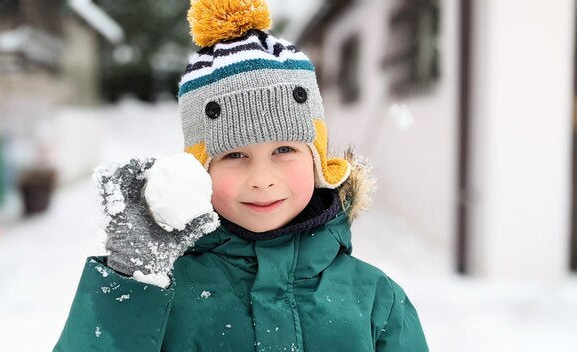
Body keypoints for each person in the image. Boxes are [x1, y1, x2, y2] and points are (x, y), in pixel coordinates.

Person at [54, 0, 429, 351]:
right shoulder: (161, 291)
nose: (262, 178)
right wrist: (131, 281)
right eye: (234, 155)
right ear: (200, 170)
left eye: (285, 150)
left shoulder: (377, 299)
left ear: (317, 160)